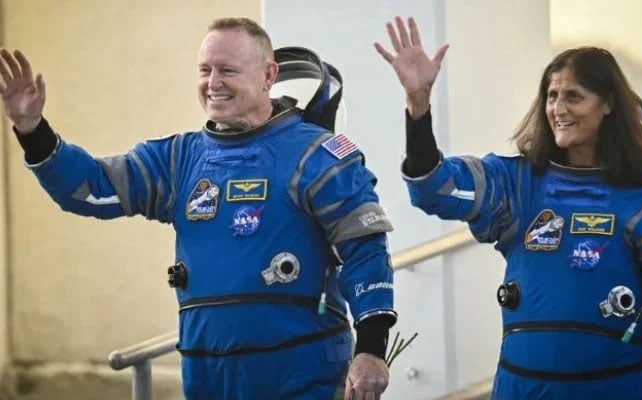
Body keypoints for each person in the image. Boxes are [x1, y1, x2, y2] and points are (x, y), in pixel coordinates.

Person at [0, 17, 397, 400]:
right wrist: (34, 131)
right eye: (204, 69)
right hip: (208, 379)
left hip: (303, 376)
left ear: (268, 76)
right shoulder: (177, 160)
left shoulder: (317, 155)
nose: (213, 83)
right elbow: (90, 190)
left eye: (227, 70)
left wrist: (372, 350)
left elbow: (365, 252)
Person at [375, 16, 642, 400]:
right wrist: (418, 106)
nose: (558, 108)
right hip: (522, 389)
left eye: (573, 96)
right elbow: (435, 188)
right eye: (551, 95)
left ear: (610, 104)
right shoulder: (517, 183)